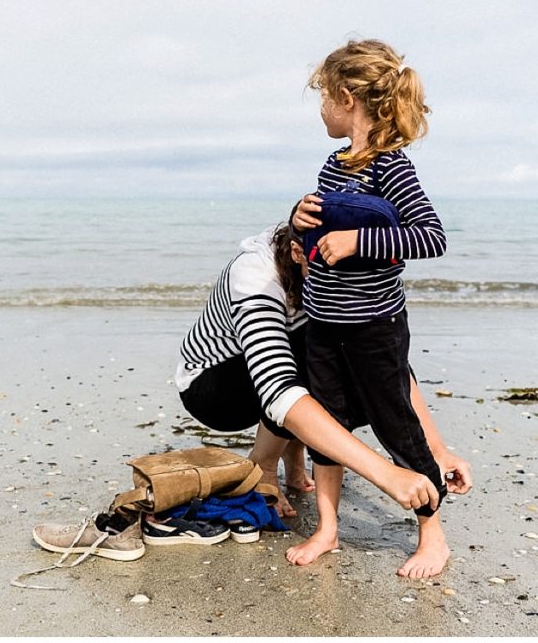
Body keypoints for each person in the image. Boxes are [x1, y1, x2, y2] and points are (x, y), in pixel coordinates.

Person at [177, 214, 470, 577]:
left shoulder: (343, 266)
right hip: (214, 385)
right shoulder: (256, 277)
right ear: (300, 253)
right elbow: (277, 388)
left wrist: (438, 450)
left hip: (285, 362)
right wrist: (386, 474)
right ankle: (263, 467)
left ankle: (293, 465)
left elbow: (390, 366)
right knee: (306, 363)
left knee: (343, 354)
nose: (343, 283)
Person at [287, 39, 451, 578]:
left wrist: (359, 242)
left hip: (375, 327)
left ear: (345, 97)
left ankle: (433, 534)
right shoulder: (333, 166)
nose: (319, 110)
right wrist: (301, 225)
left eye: (322, 98)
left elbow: (430, 237)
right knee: (328, 424)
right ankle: (328, 528)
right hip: (323, 321)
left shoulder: (392, 166)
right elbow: (321, 236)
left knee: (396, 425)